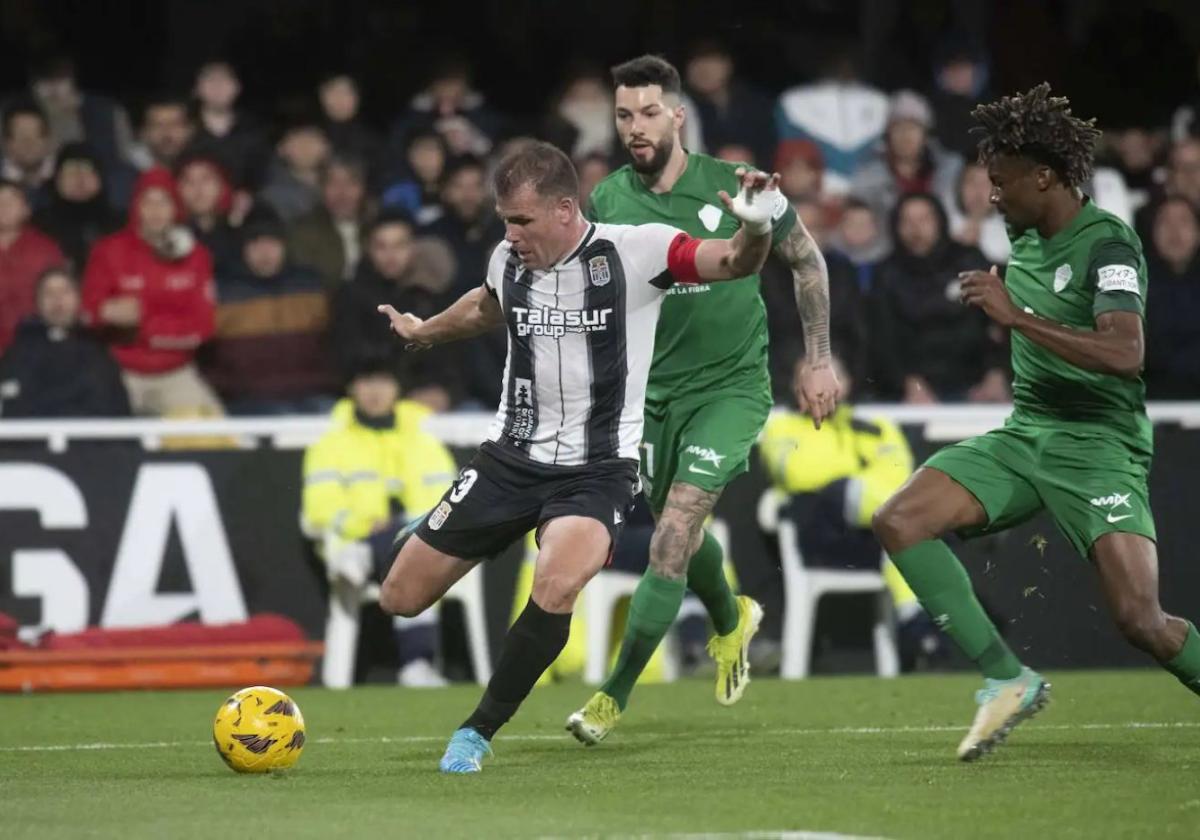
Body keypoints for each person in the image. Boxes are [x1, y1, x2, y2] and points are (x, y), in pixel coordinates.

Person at [373, 140, 778, 773]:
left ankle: (477, 731)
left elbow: (731, 261)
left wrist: (755, 225)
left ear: (565, 209)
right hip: (509, 459)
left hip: (598, 470)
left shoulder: (637, 251)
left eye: (523, 220)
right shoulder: (507, 258)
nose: (512, 234)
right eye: (505, 219)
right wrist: (425, 330)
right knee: (397, 598)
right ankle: (456, 532)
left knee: (559, 581)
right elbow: (487, 303)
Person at [872, 84, 1200, 763]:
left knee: (1141, 620)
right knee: (900, 520)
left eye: (1002, 182)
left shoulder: (1108, 243)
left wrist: (1015, 316)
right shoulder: (1024, 233)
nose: (993, 196)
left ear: (1045, 176)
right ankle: (1006, 677)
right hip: (1027, 434)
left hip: (1098, 445)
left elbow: (1125, 351)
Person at [566, 55, 838, 745]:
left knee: (674, 530)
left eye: (649, 112)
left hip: (730, 388)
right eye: (623, 114)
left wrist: (816, 357)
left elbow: (806, 260)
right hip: (650, 395)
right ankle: (731, 621)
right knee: (679, 530)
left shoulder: (736, 186)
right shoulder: (609, 201)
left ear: (678, 115)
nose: (636, 127)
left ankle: (611, 698)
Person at [759, 354, 943, 671]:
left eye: (829, 378)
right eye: (809, 379)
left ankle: (918, 627)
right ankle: (953, 525)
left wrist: (860, 480)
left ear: (845, 385)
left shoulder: (873, 427)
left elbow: (900, 474)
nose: (819, 387)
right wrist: (858, 472)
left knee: (899, 529)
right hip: (821, 536)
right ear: (795, 386)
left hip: (873, 536)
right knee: (845, 494)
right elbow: (799, 474)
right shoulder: (781, 428)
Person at [301, 359, 457, 687]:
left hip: (416, 541)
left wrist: (411, 525)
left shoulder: (424, 441)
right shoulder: (330, 444)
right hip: (358, 538)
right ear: (351, 388)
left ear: (397, 388)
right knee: (415, 561)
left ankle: (364, 555)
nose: (374, 391)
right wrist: (362, 524)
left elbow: (451, 497)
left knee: (415, 550)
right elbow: (319, 508)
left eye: (383, 381)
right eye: (365, 381)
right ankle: (417, 664)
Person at [81, 168, 221, 417]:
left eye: (164, 201)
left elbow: (203, 327)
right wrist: (103, 314)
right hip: (119, 373)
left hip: (175, 373)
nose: (155, 210)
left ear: (175, 207)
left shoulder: (197, 256)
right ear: (136, 206)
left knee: (220, 443)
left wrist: (144, 327)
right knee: (99, 444)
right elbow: (86, 313)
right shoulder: (108, 251)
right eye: (148, 201)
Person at [868, 192, 1008, 403]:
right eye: (907, 221)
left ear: (940, 221)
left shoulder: (969, 260)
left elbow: (1001, 323)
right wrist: (907, 383)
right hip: (911, 391)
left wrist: (997, 374)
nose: (916, 228)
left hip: (977, 385)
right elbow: (883, 340)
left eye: (924, 219)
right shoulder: (886, 274)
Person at [201, 209, 336, 414]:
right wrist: (232, 389)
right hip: (247, 400)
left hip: (312, 394)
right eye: (255, 243)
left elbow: (333, 345)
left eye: (272, 243)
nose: (265, 252)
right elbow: (207, 358)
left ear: (285, 246)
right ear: (243, 248)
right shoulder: (222, 293)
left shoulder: (311, 286)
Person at [332, 211, 459, 412]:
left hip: (432, 400)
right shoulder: (350, 296)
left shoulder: (432, 295)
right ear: (368, 250)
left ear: (413, 248)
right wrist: (401, 394)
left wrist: (446, 394)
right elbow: (350, 360)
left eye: (399, 245)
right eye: (381, 247)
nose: (391, 256)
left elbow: (452, 360)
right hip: (372, 401)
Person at [0, 266, 130, 418]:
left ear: (79, 298)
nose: (57, 300)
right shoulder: (18, 353)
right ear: (37, 303)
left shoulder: (98, 352)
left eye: (65, 291)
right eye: (48, 293)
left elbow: (113, 409)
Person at [32, 143, 122, 271]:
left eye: (86, 171)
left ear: (100, 179)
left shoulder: (119, 223)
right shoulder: (40, 226)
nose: (79, 179)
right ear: (57, 180)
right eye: (71, 173)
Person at [288, 154, 372, 292]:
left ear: (363, 188)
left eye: (351, 183)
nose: (342, 193)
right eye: (333, 183)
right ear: (321, 188)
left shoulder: (377, 226)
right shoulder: (303, 231)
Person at [1143, 197, 1200, 398]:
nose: (1174, 232)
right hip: (1151, 403)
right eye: (1165, 222)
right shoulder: (1133, 286)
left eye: (1184, 222)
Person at [0, 178, 66, 353]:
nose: (3, 207)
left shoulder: (45, 250)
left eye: (11, 200)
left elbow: (61, 303)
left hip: (37, 349)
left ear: (26, 209)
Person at [1, 102, 55, 207]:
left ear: (49, 140)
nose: (29, 143)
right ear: (6, 142)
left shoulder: (63, 177)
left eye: (36, 135)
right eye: (20, 135)